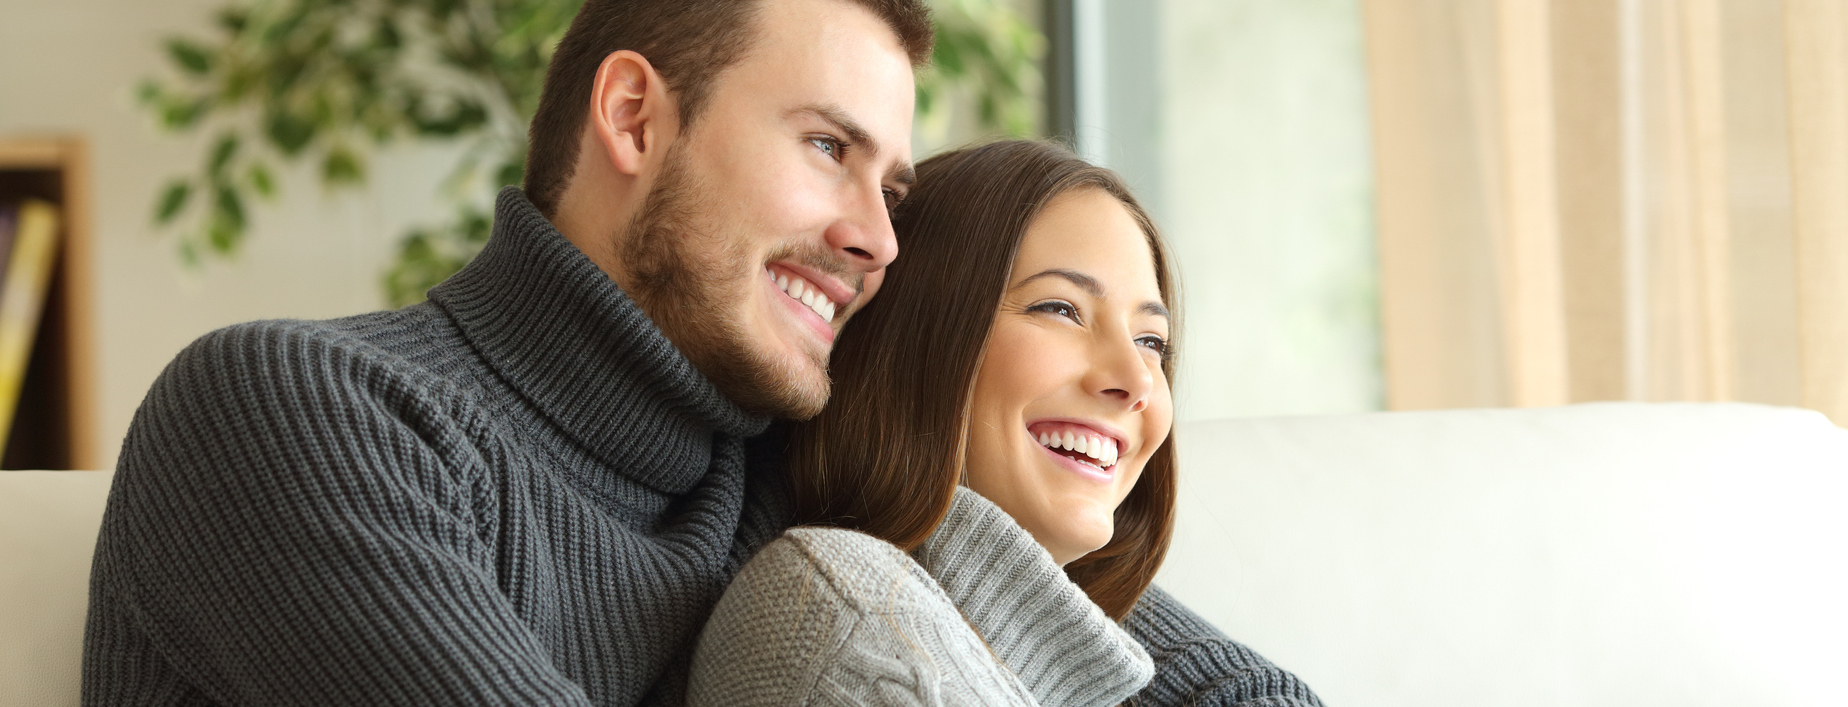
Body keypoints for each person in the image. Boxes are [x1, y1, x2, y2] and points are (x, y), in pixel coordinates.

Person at [82, 0, 1304, 703]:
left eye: (893, 183)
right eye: (830, 148)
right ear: (633, 118)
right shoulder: (300, 413)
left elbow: (1231, 694)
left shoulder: (780, 479)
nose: (877, 239)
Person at [686, 140, 1319, 706]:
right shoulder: (836, 616)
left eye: (1153, 341)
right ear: (911, 345)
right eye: (1060, 309)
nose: (1137, 380)